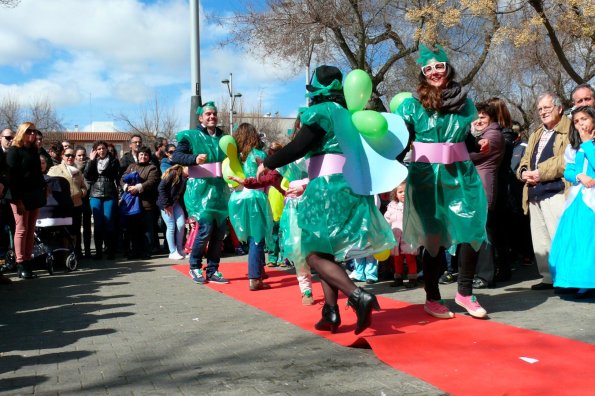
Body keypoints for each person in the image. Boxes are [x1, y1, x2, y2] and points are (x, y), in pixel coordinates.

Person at [257, 66, 395, 334]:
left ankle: (358, 296)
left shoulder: (322, 112)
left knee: (312, 254)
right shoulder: (345, 114)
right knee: (327, 252)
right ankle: (330, 313)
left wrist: (270, 162)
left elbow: (300, 146)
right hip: (346, 186)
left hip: (325, 189)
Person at [395, 44, 489, 319]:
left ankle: (465, 292)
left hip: (460, 174)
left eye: (439, 66)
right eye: (429, 68)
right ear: (423, 74)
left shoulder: (466, 103)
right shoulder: (411, 105)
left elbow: (466, 137)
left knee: (472, 230)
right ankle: (432, 298)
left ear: (447, 68)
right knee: (433, 239)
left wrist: (476, 141)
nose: (435, 72)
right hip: (427, 178)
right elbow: (400, 142)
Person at [172, 101, 230, 285]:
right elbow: (176, 157)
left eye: (214, 113)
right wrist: (194, 159)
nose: (212, 116)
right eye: (208, 114)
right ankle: (194, 266)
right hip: (200, 191)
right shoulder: (191, 136)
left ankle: (213, 269)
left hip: (220, 191)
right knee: (205, 230)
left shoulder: (224, 138)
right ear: (201, 118)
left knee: (220, 232)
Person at [517, 92, 570, 291]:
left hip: (556, 190)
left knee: (558, 237)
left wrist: (540, 173)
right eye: (540, 109)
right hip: (534, 192)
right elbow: (525, 159)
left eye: (547, 108)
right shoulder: (536, 133)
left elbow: (566, 159)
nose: (543, 112)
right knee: (541, 240)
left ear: (559, 108)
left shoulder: (569, 129)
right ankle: (548, 277)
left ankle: (566, 278)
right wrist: (523, 173)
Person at [549, 106, 595, 299]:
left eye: (584, 119)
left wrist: (587, 143)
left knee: (590, 241)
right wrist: (578, 176)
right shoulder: (573, 146)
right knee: (576, 240)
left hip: (592, 199)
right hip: (577, 197)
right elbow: (568, 171)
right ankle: (579, 281)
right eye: (576, 121)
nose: (580, 124)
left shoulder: (587, 144)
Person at [227, 123, 274, 291]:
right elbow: (267, 176)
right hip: (255, 196)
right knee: (257, 237)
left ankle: (259, 271)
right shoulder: (258, 154)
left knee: (250, 236)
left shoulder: (235, 156)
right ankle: (255, 278)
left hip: (238, 198)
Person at [470, 102, 505, 289]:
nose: (478, 121)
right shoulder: (481, 134)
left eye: (483, 117)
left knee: (484, 233)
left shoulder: (493, 135)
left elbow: (473, 155)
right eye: (476, 117)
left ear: (491, 118)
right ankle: (478, 273)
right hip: (474, 189)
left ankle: (485, 276)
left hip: (483, 189)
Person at [5, 122, 47, 279]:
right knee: (21, 229)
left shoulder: (34, 151)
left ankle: (28, 261)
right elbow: (11, 178)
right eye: (28, 131)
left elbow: (37, 174)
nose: (32, 133)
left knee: (31, 229)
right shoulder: (14, 152)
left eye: (34, 131)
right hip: (19, 195)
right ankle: (20, 262)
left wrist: (44, 188)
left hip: (34, 195)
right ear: (22, 132)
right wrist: (17, 200)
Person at [120, 146, 160, 260]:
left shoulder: (153, 168)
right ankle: (135, 251)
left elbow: (152, 182)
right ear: (138, 156)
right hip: (132, 205)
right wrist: (126, 187)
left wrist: (138, 187)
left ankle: (146, 251)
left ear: (149, 156)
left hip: (146, 204)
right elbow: (122, 178)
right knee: (133, 230)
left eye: (146, 155)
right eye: (141, 154)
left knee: (147, 230)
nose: (143, 156)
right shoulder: (132, 166)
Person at [47, 147, 87, 258]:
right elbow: (49, 185)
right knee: (64, 231)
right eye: (67, 155)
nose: (70, 157)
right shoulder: (54, 169)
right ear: (62, 156)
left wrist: (82, 192)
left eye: (72, 155)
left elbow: (83, 186)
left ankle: (76, 253)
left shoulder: (77, 170)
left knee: (76, 230)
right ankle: (64, 254)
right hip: (62, 206)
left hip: (76, 204)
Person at [84, 140, 120, 260]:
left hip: (110, 194)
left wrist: (113, 160)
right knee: (98, 224)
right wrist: (91, 160)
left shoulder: (113, 160)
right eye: (98, 149)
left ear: (106, 149)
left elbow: (116, 174)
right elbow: (87, 175)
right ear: (95, 150)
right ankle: (98, 252)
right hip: (95, 194)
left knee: (109, 223)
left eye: (103, 148)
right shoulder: (92, 161)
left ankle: (110, 250)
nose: (101, 151)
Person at [384, 182, 418, 288]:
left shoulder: (412, 205)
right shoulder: (392, 206)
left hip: (409, 238)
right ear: (395, 194)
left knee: (410, 259)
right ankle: (398, 278)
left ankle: (412, 278)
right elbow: (387, 220)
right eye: (400, 192)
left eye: (405, 191)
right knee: (397, 259)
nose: (403, 194)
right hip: (396, 238)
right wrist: (385, 230)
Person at [157, 164, 187, 260]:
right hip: (166, 204)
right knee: (171, 226)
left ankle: (179, 249)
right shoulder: (174, 173)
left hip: (176, 203)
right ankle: (172, 251)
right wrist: (166, 205)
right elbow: (161, 188)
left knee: (181, 224)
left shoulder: (186, 178)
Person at [75, 146, 92, 258]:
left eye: (83, 155)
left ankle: (87, 250)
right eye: (79, 155)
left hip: (87, 198)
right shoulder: (72, 167)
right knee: (76, 226)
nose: (82, 157)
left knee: (87, 226)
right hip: (76, 198)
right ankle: (77, 250)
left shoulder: (90, 165)